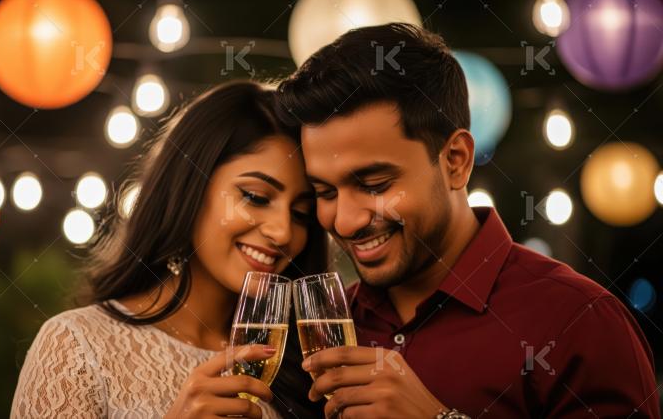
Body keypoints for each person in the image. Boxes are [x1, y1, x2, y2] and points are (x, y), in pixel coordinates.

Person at [275, 23, 660, 418]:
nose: (346, 221)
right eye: (325, 192)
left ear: (455, 161)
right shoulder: (326, 329)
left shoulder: (580, 321)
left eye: (374, 185)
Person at [11, 81, 327, 418]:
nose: (282, 232)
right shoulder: (77, 348)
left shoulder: (301, 369)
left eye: (301, 214)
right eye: (256, 196)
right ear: (191, 185)